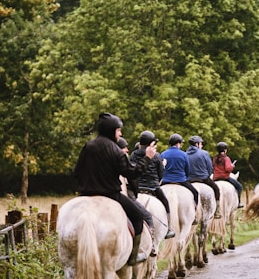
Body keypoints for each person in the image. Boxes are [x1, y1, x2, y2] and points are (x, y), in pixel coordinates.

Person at [72, 112, 156, 266]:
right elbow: (131, 172)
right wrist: (148, 158)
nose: (121, 133)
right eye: (119, 130)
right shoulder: (115, 150)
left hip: (84, 194)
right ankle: (133, 256)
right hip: (111, 195)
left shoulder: (88, 146)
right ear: (112, 131)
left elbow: (76, 172)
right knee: (138, 217)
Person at [131, 130, 176, 239]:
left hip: (138, 188)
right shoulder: (156, 156)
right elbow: (161, 174)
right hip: (153, 187)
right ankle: (168, 228)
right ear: (151, 143)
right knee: (166, 203)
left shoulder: (133, 154)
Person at [160, 133, 199, 214]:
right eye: (181, 143)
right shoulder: (184, 154)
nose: (181, 145)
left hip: (166, 180)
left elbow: (160, 169)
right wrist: (185, 177)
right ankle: (195, 213)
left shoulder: (163, 154)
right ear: (178, 143)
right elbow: (187, 169)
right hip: (181, 180)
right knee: (195, 193)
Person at [186, 135, 222, 218]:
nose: (201, 145)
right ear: (197, 144)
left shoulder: (185, 154)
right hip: (203, 178)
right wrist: (207, 175)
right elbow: (210, 168)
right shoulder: (204, 153)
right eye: (201, 144)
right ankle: (217, 211)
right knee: (216, 189)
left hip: (189, 180)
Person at [212, 142, 244, 208]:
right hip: (225, 177)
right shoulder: (226, 158)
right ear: (225, 150)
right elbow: (227, 169)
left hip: (215, 178)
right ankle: (238, 202)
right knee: (239, 186)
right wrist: (232, 166)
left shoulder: (215, 158)